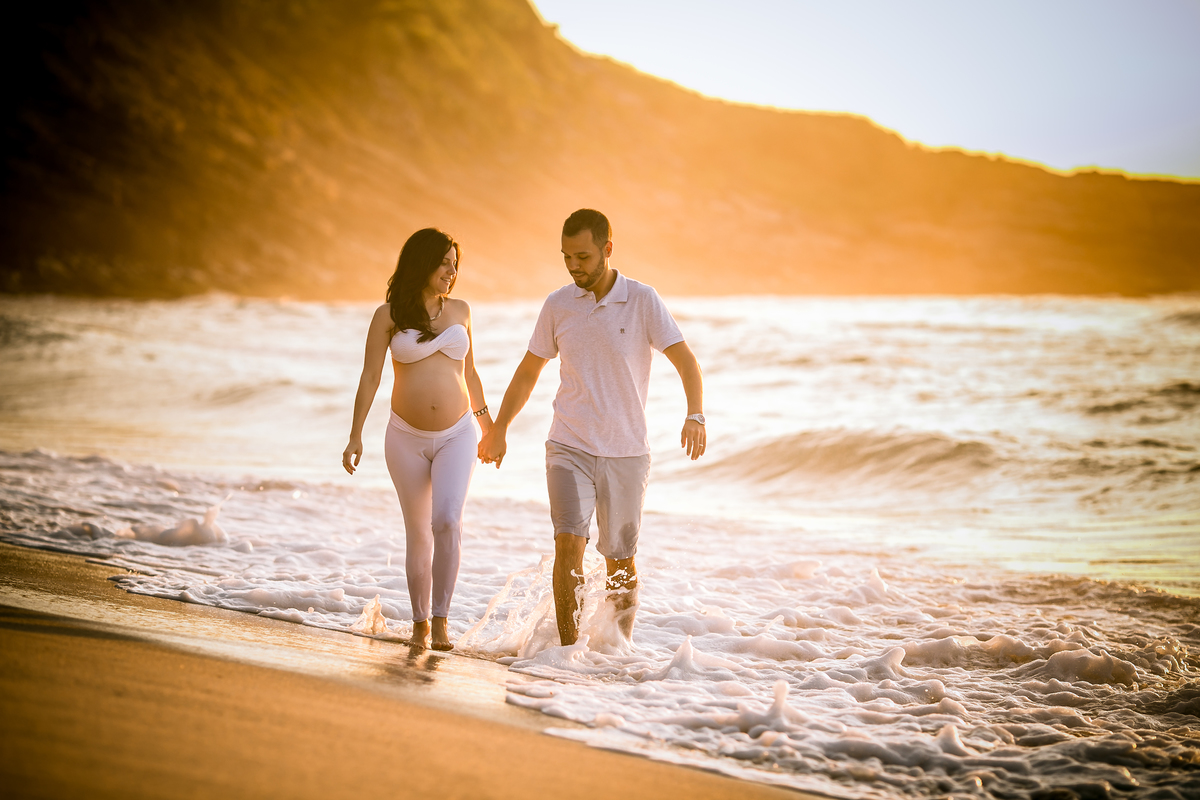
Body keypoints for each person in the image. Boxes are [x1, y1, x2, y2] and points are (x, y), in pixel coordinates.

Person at [478, 208, 706, 647]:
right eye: (566, 257)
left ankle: (618, 652)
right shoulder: (558, 305)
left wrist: (695, 413)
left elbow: (686, 361)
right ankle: (566, 654)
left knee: (621, 561)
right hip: (568, 443)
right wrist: (500, 427)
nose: (574, 266)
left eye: (582, 256)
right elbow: (528, 372)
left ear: (607, 249)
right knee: (569, 543)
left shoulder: (642, 300)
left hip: (626, 452)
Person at [343, 228, 492, 651]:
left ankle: (442, 621)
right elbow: (370, 376)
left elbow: (471, 373)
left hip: (457, 433)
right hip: (404, 437)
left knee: (447, 521)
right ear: (422, 262)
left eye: (455, 263)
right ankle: (420, 624)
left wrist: (489, 427)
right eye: (444, 262)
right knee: (419, 533)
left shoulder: (461, 311)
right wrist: (355, 435)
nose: (452, 270)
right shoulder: (388, 315)